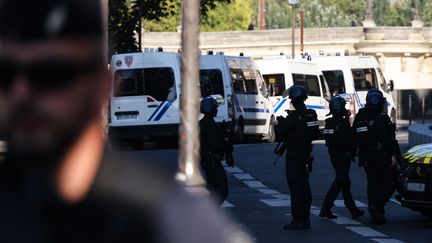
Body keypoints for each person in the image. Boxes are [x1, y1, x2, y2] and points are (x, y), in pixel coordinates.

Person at [0, 1, 251, 242]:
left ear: (102, 85)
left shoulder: (170, 222)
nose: (21, 94)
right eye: (5, 74)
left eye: (49, 74)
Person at [352, 89, 399, 225]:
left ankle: (376, 214)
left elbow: (354, 136)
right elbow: (387, 139)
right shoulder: (381, 118)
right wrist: (392, 156)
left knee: (373, 182)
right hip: (381, 154)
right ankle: (377, 205)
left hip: (366, 156)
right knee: (392, 180)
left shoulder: (360, 117)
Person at [277, 85, 320, 230]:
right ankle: (306, 219)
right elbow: (315, 133)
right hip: (306, 154)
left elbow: (281, 134)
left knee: (295, 189)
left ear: (294, 101)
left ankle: (297, 220)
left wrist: (283, 122)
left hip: (294, 155)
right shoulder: (311, 114)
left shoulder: (293, 117)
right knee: (305, 187)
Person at [319, 96, 364, 220]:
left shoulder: (329, 123)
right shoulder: (343, 123)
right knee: (340, 181)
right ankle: (326, 207)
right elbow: (349, 140)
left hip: (333, 155)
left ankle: (353, 209)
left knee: (345, 182)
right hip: (343, 156)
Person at [200, 96, 234, 206]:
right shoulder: (208, 124)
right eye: (215, 108)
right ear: (210, 109)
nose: (217, 109)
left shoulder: (205, 123)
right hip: (211, 160)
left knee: (213, 190)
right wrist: (226, 144)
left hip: (209, 160)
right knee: (221, 189)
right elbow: (215, 144)